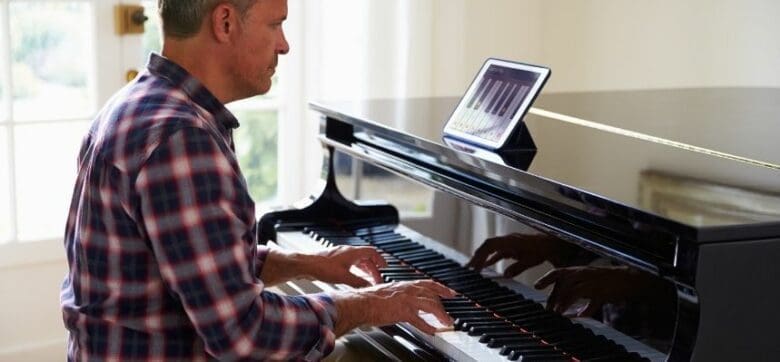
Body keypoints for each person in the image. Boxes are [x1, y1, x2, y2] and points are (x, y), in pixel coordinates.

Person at [60, 0, 453, 360]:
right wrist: (374, 303)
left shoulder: (144, 103)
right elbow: (243, 335)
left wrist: (312, 263)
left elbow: (204, 265)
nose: (284, 46)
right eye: (276, 25)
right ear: (226, 22)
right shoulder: (180, 139)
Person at [467, 233, 676, 349]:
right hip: (604, 329)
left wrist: (634, 281)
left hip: (668, 337)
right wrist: (555, 246)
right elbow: (609, 233)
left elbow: (704, 276)